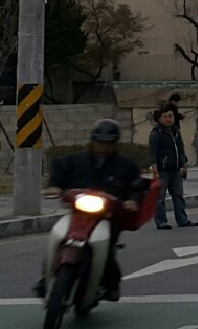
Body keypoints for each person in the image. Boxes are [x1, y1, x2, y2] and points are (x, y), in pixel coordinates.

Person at [35, 118, 147, 302]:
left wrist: (132, 201)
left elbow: (136, 185)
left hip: (108, 216)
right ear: (92, 141)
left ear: (115, 144)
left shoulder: (125, 165)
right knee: (57, 239)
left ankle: (111, 284)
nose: (103, 147)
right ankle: (45, 280)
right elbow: (59, 170)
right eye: (100, 142)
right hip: (78, 214)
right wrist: (55, 186)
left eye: (108, 143)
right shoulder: (76, 160)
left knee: (107, 246)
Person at [149, 105, 197, 229]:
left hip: (176, 170)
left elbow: (181, 149)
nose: (168, 119)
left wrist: (184, 165)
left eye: (170, 116)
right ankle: (161, 222)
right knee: (160, 197)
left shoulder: (176, 132)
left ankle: (182, 220)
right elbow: (153, 153)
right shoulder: (156, 134)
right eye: (165, 117)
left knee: (178, 195)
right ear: (160, 119)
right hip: (162, 171)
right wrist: (155, 171)